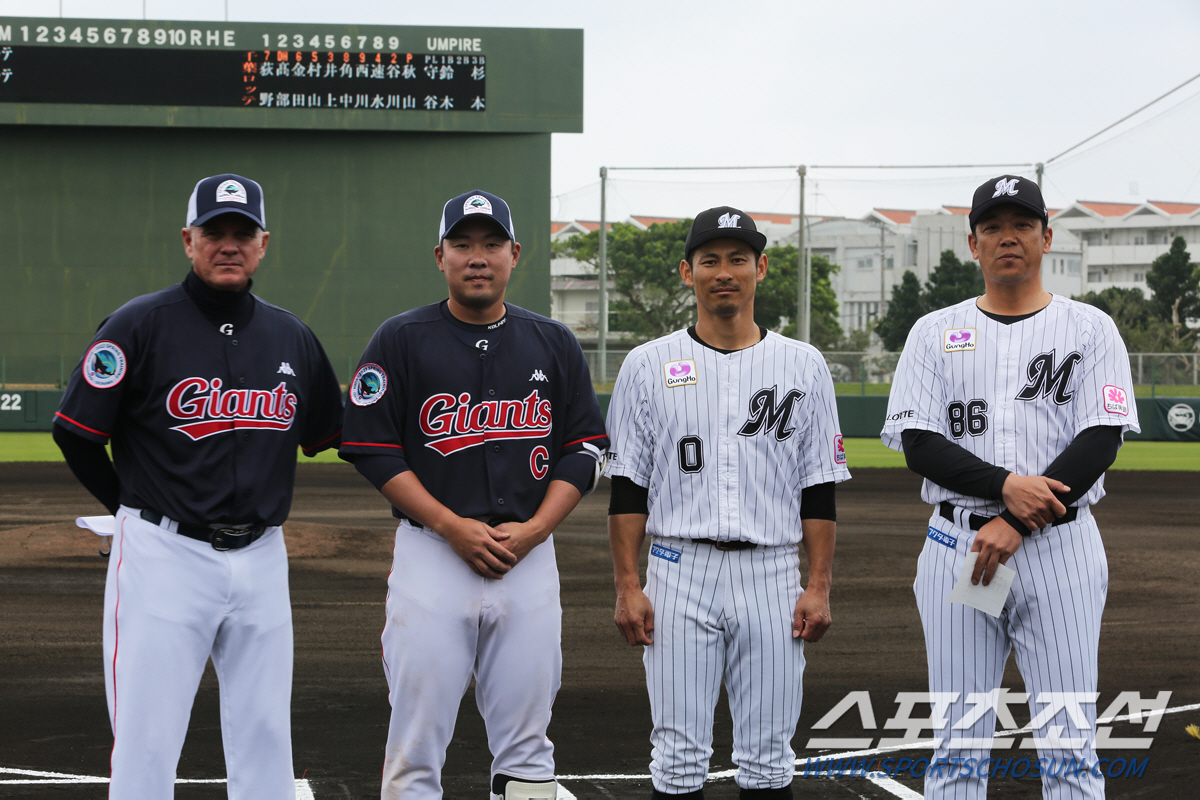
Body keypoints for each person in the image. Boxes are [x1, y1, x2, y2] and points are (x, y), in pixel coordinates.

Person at [52, 173, 345, 798]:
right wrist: (127, 510)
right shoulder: (138, 325)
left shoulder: (291, 336)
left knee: (266, 731)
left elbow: (336, 432)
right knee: (147, 734)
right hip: (164, 554)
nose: (228, 244)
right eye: (214, 232)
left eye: (243, 232)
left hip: (263, 557)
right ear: (188, 240)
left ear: (264, 244)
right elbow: (75, 432)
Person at [338, 189, 608, 800]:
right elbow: (372, 446)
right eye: (462, 244)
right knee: (415, 742)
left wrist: (538, 529)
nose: (477, 257)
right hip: (432, 556)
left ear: (516, 254)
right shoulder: (400, 338)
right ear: (440, 256)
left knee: (529, 747)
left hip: (527, 558)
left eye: (491, 244)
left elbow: (585, 448)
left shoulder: (553, 341)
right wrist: (447, 523)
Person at [881, 175, 1139, 798]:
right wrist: (1005, 487)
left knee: (1069, 746)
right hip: (961, 550)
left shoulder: (1090, 329)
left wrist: (1017, 518)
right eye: (993, 227)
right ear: (973, 244)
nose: (1008, 237)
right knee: (958, 746)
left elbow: (1101, 439)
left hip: (1059, 552)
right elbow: (919, 443)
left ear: (1046, 238)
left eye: (1022, 224)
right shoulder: (933, 332)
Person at [605, 207, 850, 798]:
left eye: (738, 259)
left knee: (769, 758)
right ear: (686, 272)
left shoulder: (804, 365)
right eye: (709, 260)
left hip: (771, 572)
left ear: (760, 269)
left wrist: (818, 585)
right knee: (677, 758)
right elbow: (628, 487)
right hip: (678, 569)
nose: (724, 272)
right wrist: (627, 585)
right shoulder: (646, 365)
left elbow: (818, 486)